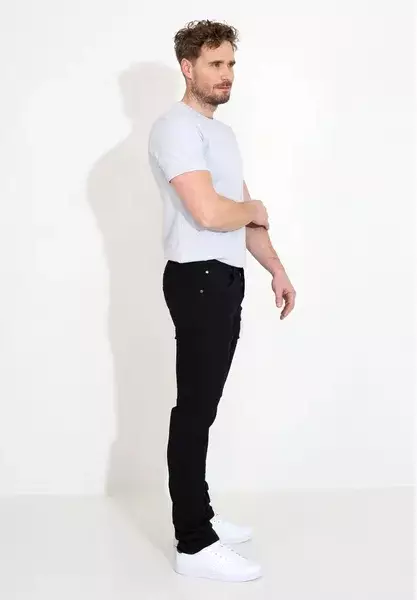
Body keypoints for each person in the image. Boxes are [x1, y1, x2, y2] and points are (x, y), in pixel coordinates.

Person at [148, 20, 296, 582]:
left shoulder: (222, 135)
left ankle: (202, 515)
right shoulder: (174, 128)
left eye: (231, 64)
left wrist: (276, 268)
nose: (226, 74)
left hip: (224, 277)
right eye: (215, 64)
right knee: (193, 410)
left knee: (203, 408)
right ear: (187, 68)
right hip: (197, 278)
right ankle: (193, 542)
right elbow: (211, 212)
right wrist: (253, 209)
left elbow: (241, 215)